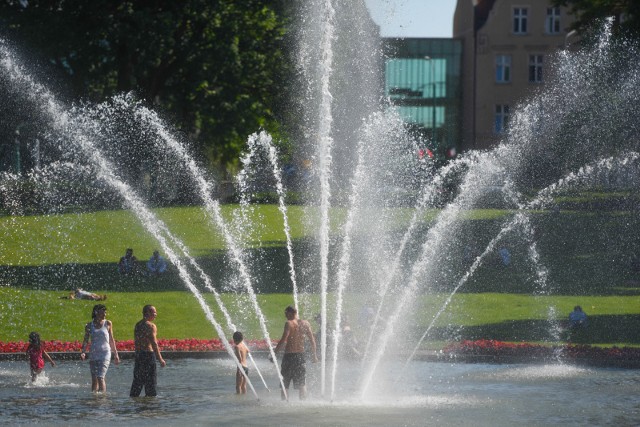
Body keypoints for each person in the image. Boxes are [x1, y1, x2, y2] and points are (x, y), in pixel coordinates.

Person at [272, 305, 318, 400]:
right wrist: (314, 355)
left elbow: (283, 339)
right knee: (302, 383)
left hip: (289, 356)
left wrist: (274, 353)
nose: (285, 316)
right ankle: (303, 403)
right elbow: (312, 340)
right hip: (300, 356)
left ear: (292, 313)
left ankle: (285, 404)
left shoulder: (289, 323)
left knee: (285, 383)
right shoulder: (306, 323)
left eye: (286, 313)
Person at [80, 304, 120, 393]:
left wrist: (116, 354)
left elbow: (111, 340)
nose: (105, 314)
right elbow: (86, 340)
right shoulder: (89, 325)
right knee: (94, 378)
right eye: (103, 312)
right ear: (96, 312)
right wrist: (83, 352)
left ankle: (102, 398)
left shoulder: (108, 323)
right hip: (93, 353)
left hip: (105, 353)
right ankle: (94, 398)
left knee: (100, 377)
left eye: (105, 312)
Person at [130, 305, 166, 397]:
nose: (156, 314)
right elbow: (154, 343)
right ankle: (150, 406)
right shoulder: (151, 326)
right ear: (148, 313)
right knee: (151, 383)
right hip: (148, 356)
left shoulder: (138, 325)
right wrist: (160, 359)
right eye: (154, 312)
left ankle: (134, 402)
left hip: (139, 355)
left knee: (137, 382)